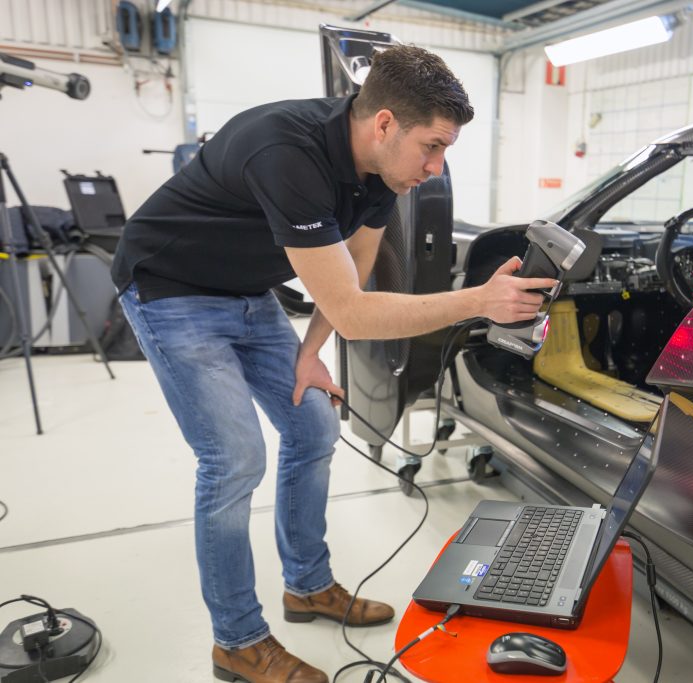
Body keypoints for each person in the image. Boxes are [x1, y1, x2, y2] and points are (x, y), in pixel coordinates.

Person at [111, 45, 555, 683]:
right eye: (432, 146)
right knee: (235, 459)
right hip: (170, 287)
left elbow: (355, 268)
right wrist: (479, 301)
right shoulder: (285, 153)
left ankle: (307, 586)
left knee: (313, 426)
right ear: (384, 124)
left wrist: (310, 352)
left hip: (246, 292)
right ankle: (236, 642)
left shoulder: (381, 173)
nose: (436, 167)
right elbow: (353, 312)